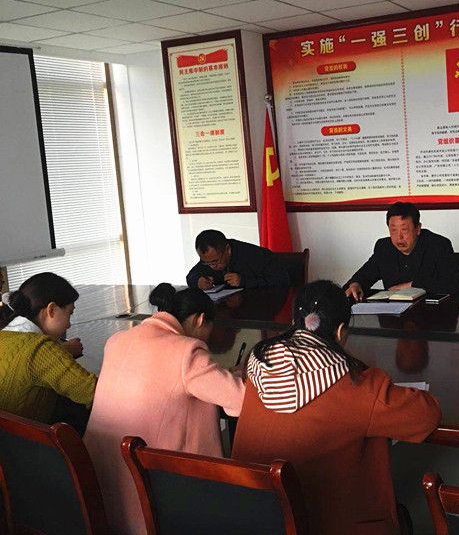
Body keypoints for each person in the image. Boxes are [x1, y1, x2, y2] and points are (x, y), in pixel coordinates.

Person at [233, 280, 441, 535]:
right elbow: (427, 415)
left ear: (295, 323)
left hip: (255, 521)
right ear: (341, 331)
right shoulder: (356, 385)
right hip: (333, 524)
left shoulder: (259, 369)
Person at [84, 284, 245, 535]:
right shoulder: (187, 351)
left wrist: (222, 375)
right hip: (151, 493)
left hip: (98, 486)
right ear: (200, 319)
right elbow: (239, 400)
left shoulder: (117, 340)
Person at [0, 272, 96, 432]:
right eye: (69, 313)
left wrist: (62, 350)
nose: (69, 325)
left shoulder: (4, 336)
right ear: (51, 309)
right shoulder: (41, 349)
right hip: (28, 444)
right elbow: (93, 392)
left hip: (8, 441)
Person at [345, 202, 459, 301]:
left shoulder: (438, 245)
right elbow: (364, 275)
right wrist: (356, 284)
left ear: (418, 228)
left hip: (430, 314)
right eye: (393, 230)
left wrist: (411, 285)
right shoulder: (384, 248)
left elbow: (452, 285)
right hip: (393, 316)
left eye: (404, 230)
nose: (399, 237)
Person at [186, 229, 289, 290]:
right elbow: (191, 275)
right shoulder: (209, 259)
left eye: (215, 262)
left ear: (228, 249)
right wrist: (197, 281)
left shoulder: (255, 255)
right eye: (206, 262)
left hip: (259, 307)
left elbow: (282, 279)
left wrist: (244, 281)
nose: (212, 266)